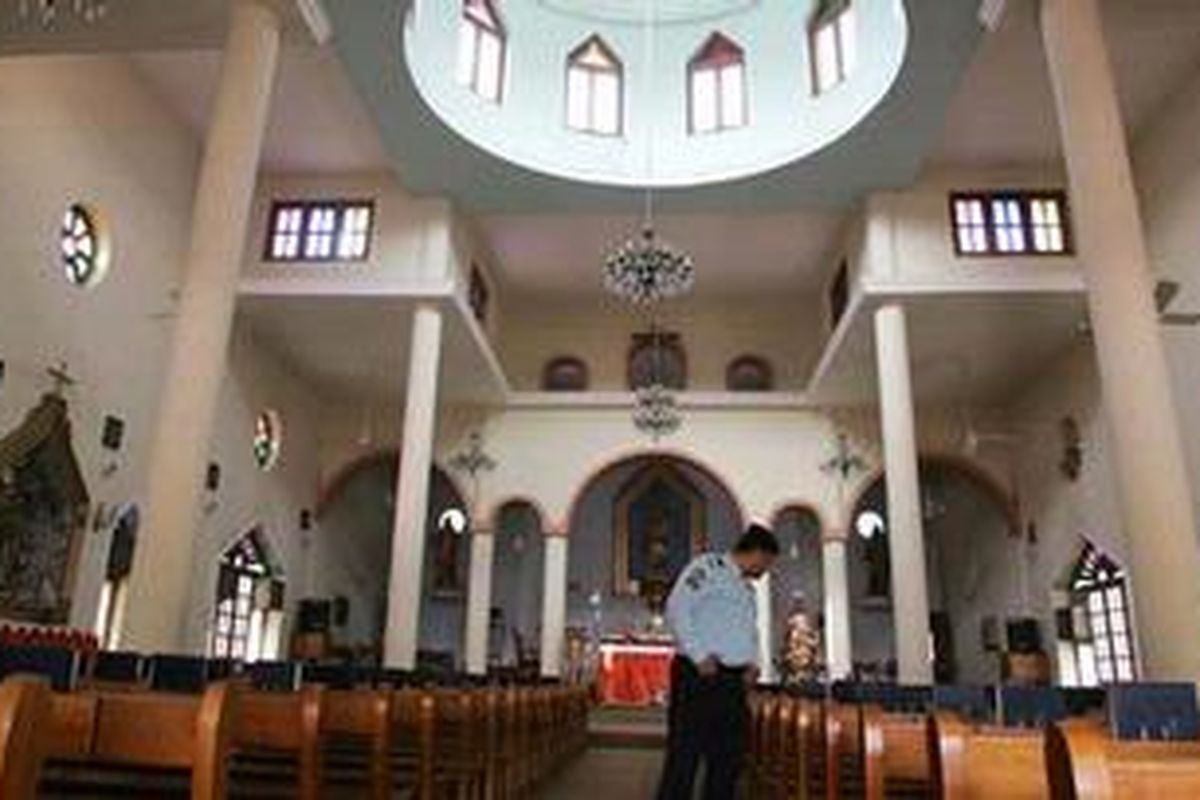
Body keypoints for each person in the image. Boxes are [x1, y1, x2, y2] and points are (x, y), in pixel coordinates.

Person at [656, 523, 780, 800]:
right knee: (685, 755)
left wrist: (753, 663)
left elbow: (749, 629)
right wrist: (698, 655)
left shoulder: (746, 588)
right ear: (757, 553)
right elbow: (677, 607)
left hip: (732, 682)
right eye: (768, 562)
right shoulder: (707, 568)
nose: (767, 569)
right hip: (700, 677)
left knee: (728, 758)